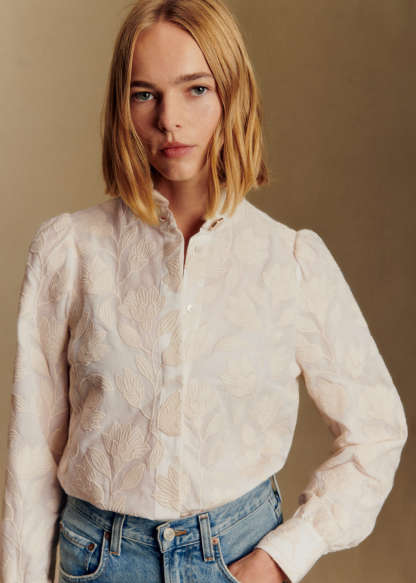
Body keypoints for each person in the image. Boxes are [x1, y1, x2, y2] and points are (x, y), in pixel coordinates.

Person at [0, 0, 408, 582]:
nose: (170, 119)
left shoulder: (289, 261)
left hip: (238, 558)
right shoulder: (70, 252)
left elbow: (377, 431)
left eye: (196, 89)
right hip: (99, 563)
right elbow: (31, 455)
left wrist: (282, 558)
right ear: (122, 107)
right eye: (145, 94)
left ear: (232, 95)